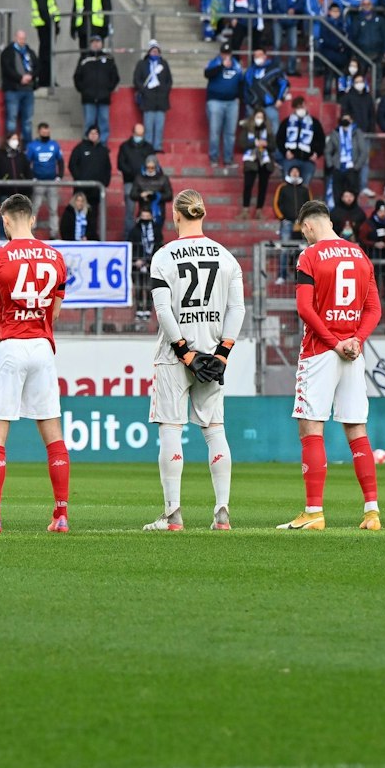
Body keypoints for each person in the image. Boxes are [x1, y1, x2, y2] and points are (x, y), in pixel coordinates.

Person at [140, 190, 244, 531]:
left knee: (171, 429)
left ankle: (173, 514)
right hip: (213, 355)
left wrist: (184, 350)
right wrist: (223, 354)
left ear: (176, 215)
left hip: (175, 357)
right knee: (215, 431)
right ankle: (222, 511)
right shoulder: (226, 257)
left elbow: (163, 310)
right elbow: (236, 309)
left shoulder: (164, 256)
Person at [0, 194, 71, 534]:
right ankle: (60, 515)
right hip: (42, 345)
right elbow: (54, 311)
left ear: (6, 220)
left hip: (9, 344)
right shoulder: (55, 258)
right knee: (53, 432)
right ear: (32, 218)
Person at [279, 201, 383, 530]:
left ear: (308, 226)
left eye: (303, 231)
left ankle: (313, 512)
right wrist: (356, 340)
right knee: (356, 428)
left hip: (321, 350)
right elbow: (375, 309)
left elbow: (305, 309)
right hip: (353, 352)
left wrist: (334, 342)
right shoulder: (360, 255)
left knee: (311, 428)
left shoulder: (309, 256)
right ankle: (372, 512)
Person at [203, 45, 243, 170]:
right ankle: (214, 158)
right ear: (220, 53)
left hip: (232, 102)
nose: (226, 55)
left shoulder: (237, 65)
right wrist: (221, 66)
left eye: (228, 53)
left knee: (230, 133)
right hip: (215, 101)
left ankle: (228, 159)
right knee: (215, 131)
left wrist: (239, 97)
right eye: (224, 53)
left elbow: (241, 82)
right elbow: (207, 74)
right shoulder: (214, 62)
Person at [0, 30, 38, 139]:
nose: (22, 41)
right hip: (13, 90)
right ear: (15, 38)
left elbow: (37, 66)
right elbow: (7, 69)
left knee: (28, 120)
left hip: (28, 90)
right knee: (12, 119)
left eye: (24, 39)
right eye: (20, 38)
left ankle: (27, 146)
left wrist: (31, 76)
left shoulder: (30, 52)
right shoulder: (8, 52)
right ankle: (10, 145)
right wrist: (20, 78)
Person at [132, 41, 171, 147]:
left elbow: (169, 81)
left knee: (159, 127)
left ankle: (158, 146)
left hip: (161, 100)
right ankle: (148, 147)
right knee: (148, 127)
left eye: (157, 51)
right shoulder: (142, 64)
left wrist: (164, 91)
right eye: (153, 51)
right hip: (147, 100)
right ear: (149, 52)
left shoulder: (164, 64)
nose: (155, 53)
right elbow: (137, 80)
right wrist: (145, 91)